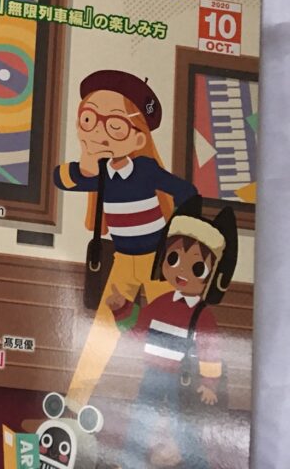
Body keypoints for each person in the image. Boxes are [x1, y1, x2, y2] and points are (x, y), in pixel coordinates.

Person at [52, 70, 197, 410]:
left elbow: (187, 192)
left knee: (169, 331)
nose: (99, 132)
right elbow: (61, 179)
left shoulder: (145, 169)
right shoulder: (102, 175)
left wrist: (180, 241)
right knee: (102, 331)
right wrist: (86, 162)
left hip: (158, 263)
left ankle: (172, 406)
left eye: (114, 125)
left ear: (138, 138)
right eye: (89, 119)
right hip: (122, 261)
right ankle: (74, 404)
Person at [113, 198, 238, 468]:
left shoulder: (203, 315)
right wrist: (121, 309)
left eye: (196, 267)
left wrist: (209, 384)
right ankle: (129, 463)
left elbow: (210, 352)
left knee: (184, 427)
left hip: (182, 381)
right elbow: (138, 331)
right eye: (174, 258)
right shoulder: (160, 303)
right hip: (152, 375)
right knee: (141, 422)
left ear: (212, 275)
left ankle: (198, 465)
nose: (182, 270)